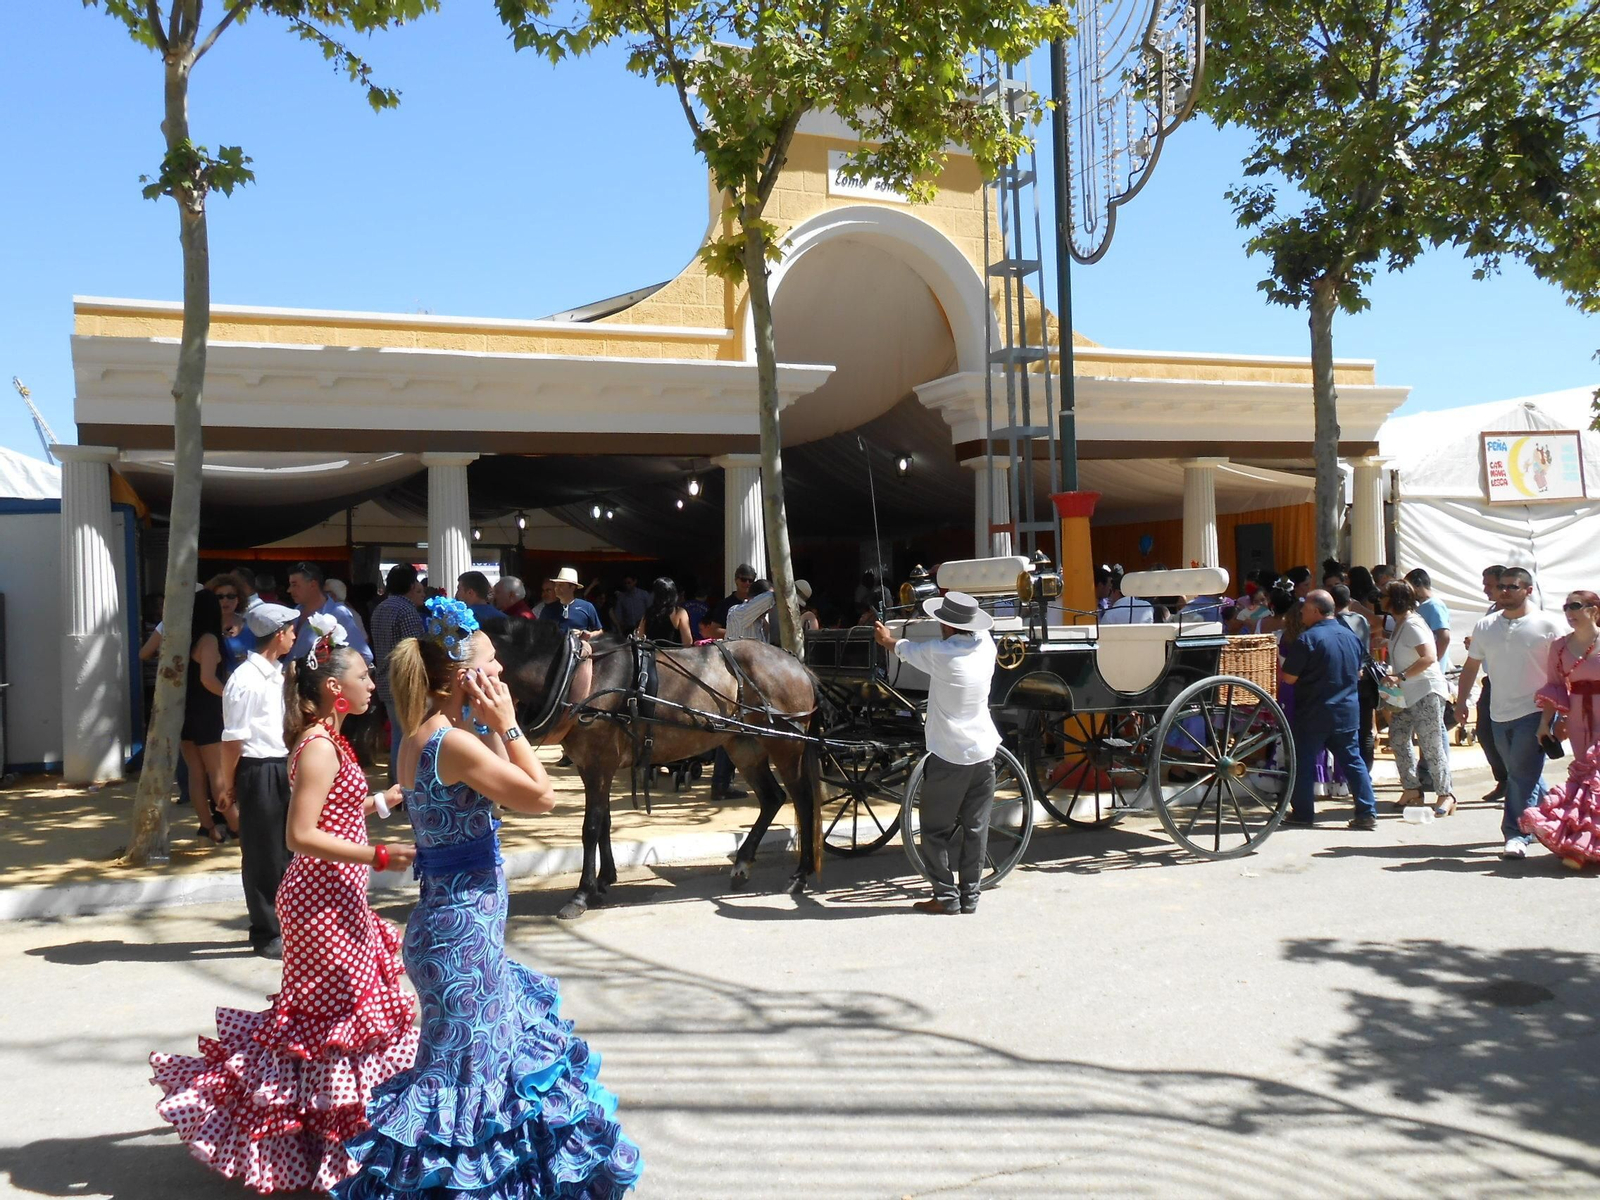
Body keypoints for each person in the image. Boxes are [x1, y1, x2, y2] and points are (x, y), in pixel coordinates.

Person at [345, 598, 643, 1198]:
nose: (503, 675)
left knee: (490, 1073)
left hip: (450, 928)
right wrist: (506, 720)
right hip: (461, 938)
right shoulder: (452, 746)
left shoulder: (423, 736)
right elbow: (542, 796)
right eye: (492, 666)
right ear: (464, 677)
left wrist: (486, 724)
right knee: (468, 1094)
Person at [152, 620, 419, 1194]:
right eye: (364, 675)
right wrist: (378, 855)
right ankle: (323, 1147)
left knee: (350, 1020)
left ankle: (351, 1140)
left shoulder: (331, 739)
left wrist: (382, 802)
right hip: (320, 905)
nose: (373, 683)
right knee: (331, 1026)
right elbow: (300, 836)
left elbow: (333, 816)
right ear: (334, 689)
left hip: (339, 898)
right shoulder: (321, 746)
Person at [873, 592, 1000, 914]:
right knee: (975, 828)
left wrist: (886, 638)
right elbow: (980, 629)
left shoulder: (940, 654)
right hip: (985, 752)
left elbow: (902, 649)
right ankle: (970, 897)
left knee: (934, 830)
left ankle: (945, 896)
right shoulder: (986, 646)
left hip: (950, 756)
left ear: (946, 625)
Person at [1456, 566, 1563, 859]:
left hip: (1536, 711)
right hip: (1498, 712)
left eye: (1511, 587)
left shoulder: (1548, 625)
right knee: (1520, 772)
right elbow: (1471, 666)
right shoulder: (1486, 626)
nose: (1503, 592)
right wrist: (1461, 701)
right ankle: (1555, 818)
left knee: (1521, 775)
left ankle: (1516, 834)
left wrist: (1563, 713)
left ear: (1528, 590)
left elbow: (1564, 669)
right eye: (1500, 586)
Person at [215, 601, 300, 957]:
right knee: (262, 853)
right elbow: (234, 739)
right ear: (278, 635)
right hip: (257, 767)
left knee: (287, 850)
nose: (295, 636)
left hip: (281, 765)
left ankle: (289, 926)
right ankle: (266, 931)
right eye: (291, 630)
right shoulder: (245, 680)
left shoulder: (279, 674)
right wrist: (228, 785)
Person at [1280, 590, 1379, 829]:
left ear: (1315, 610)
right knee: (1353, 761)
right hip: (1346, 711)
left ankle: (1303, 813)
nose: (1301, 612)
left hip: (1314, 712)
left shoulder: (1308, 639)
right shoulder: (1350, 636)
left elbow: (1290, 678)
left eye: (1305, 608)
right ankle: (1367, 812)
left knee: (1302, 762)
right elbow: (1359, 672)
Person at [1524, 590, 1600, 866]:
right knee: (1587, 780)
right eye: (1567, 607)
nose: (1569, 612)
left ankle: (1580, 850)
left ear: (1594, 609)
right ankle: (1582, 844)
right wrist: (1546, 723)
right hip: (1580, 719)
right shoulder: (1559, 647)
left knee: (1597, 776)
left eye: (1576, 606)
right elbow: (1555, 688)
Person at [1383, 581, 1457, 816]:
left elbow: (1429, 657)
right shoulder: (1400, 623)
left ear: (1394, 599)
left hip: (1425, 690)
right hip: (1406, 692)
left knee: (1431, 743)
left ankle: (1446, 794)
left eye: (1384, 595)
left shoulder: (1413, 624)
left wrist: (1400, 676)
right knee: (1398, 739)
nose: (1379, 599)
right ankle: (1412, 788)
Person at [182, 587, 237, 845]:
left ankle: (207, 826)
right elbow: (207, 679)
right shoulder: (209, 639)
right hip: (207, 709)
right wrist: (231, 696)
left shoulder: (186, 637)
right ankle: (237, 825)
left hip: (186, 709)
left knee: (196, 771)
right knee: (217, 773)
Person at [370, 563, 427, 783]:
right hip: (404, 681)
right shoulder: (406, 610)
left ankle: (396, 786)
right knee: (408, 737)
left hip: (385, 678)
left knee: (397, 736)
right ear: (412, 584)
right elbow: (416, 648)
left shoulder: (381, 608)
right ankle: (405, 786)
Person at [289, 561, 373, 664]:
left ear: (313, 585)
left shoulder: (338, 613)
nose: (289, 590)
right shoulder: (294, 613)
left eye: (294, 585)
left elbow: (364, 655)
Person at [1474, 564, 1510, 801]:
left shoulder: (1513, 613)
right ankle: (1503, 779)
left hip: (1509, 680)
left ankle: (1518, 783)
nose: (1486, 589)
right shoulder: (1491, 611)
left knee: (1508, 735)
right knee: (1485, 732)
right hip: (1491, 679)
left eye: (1490, 585)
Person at [1333, 584, 1378, 770]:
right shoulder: (1361, 620)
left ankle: (1349, 772)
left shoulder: (1333, 623)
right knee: (1365, 729)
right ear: (1349, 601)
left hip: (1344, 681)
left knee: (1348, 730)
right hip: (1366, 678)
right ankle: (1366, 769)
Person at [208, 571, 256, 678]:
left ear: (239, 598)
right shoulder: (204, 627)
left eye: (231, 596)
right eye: (219, 596)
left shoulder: (252, 626)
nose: (225, 600)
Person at [541, 566, 604, 636]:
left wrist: (588, 635)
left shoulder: (587, 607)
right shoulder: (548, 609)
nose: (556, 588)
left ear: (572, 587)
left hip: (578, 646)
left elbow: (599, 631)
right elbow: (539, 633)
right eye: (556, 585)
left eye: (561, 585)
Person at [1406, 568, 1452, 661]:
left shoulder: (1434, 605)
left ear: (1417, 584)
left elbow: (1444, 638)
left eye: (1409, 588)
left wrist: (1433, 661)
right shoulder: (1422, 606)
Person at [704, 563, 756, 638]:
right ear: (736, 580)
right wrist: (740, 634)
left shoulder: (756, 603)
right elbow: (714, 631)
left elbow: (764, 627)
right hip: (731, 647)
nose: (747, 583)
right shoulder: (724, 604)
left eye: (750, 580)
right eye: (743, 580)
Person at [639, 576, 693, 646]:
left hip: (652, 655)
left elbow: (640, 637)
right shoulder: (679, 612)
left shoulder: (648, 612)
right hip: (672, 655)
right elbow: (687, 642)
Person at [612, 571, 650, 636]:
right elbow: (618, 614)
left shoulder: (643, 594)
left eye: (629, 583)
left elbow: (649, 609)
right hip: (628, 629)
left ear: (635, 581)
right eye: (625, 583)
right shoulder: (621, 597)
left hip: (642, 627)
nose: (627, 585)